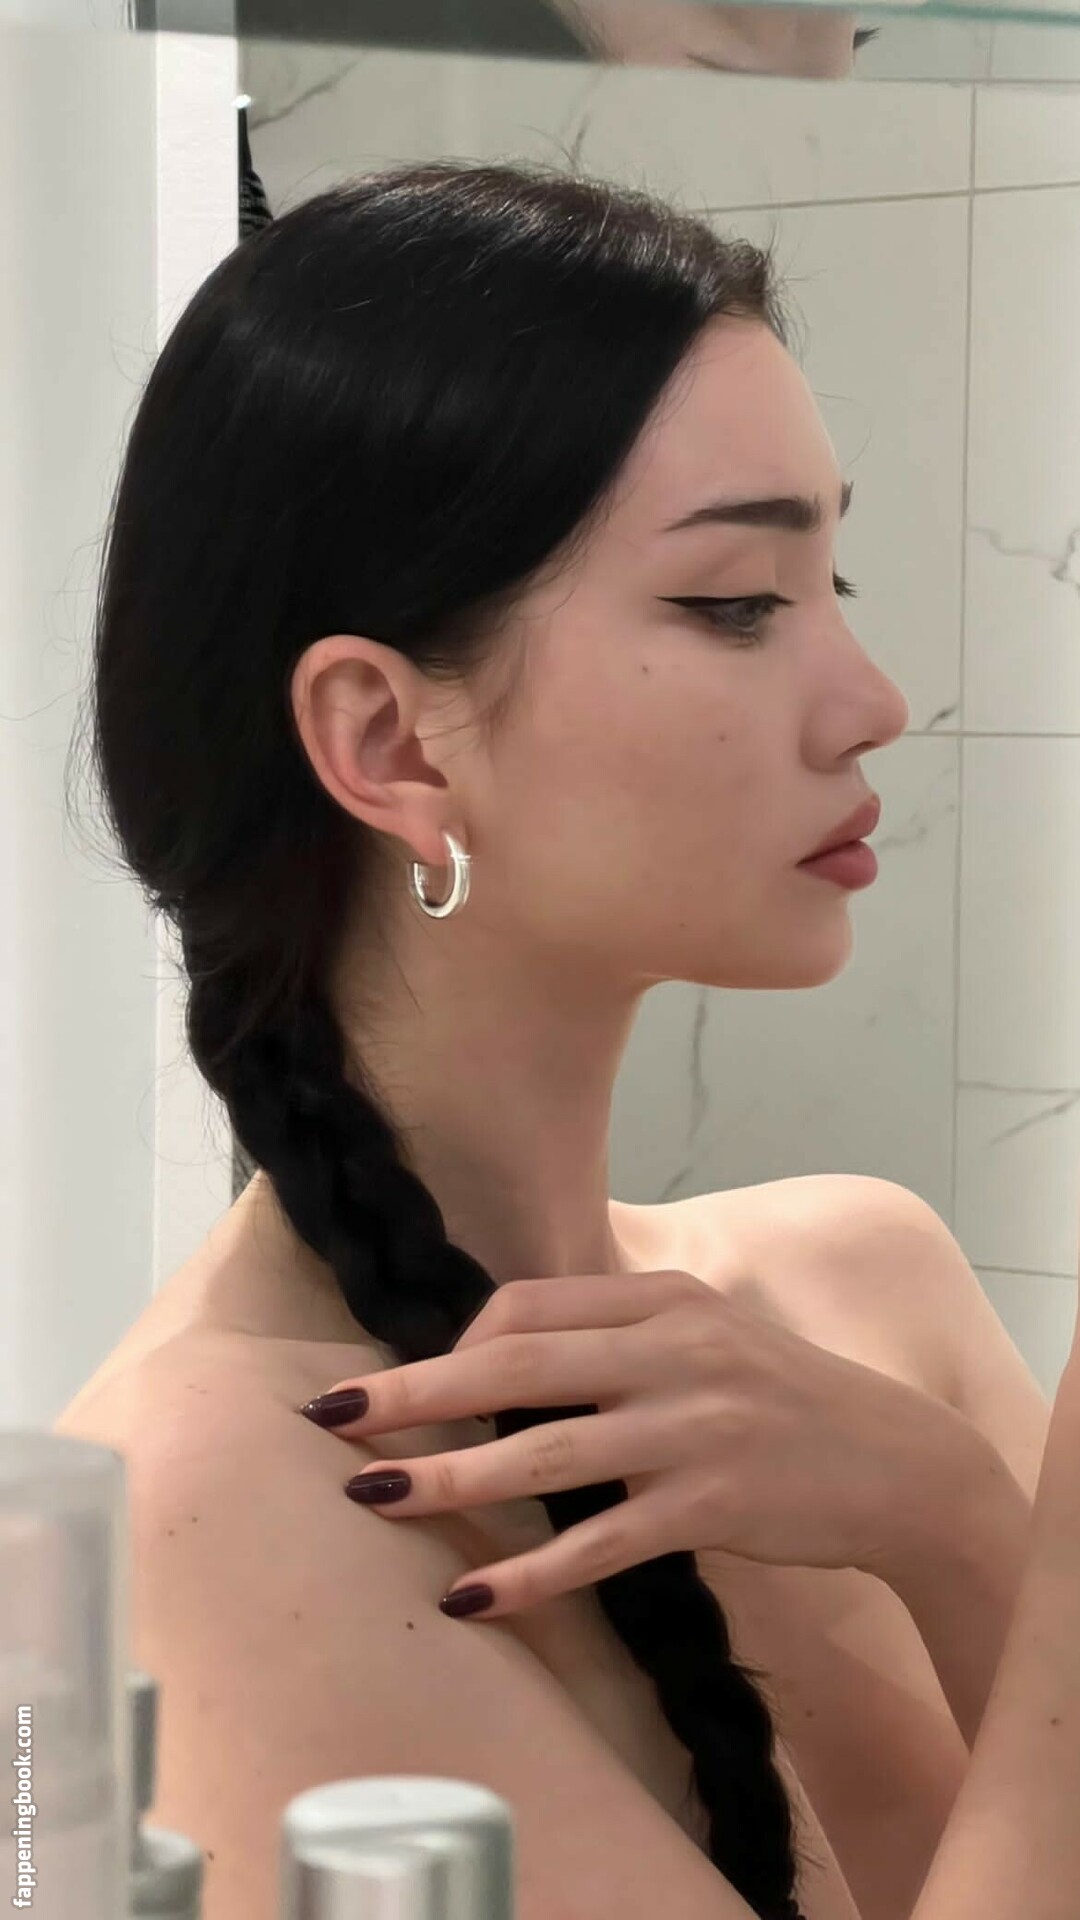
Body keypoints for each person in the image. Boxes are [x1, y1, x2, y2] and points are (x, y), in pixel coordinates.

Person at [53, 157, 1071, 1920]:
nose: (875, 701)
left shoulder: (870, 1282)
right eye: (738, 601)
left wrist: (963, 1527)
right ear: (389, 742)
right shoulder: (212, 1507)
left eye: (834, 576)